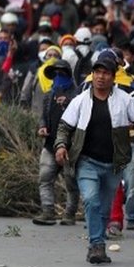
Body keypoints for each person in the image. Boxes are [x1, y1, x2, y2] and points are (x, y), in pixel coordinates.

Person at [55, 54, 134, 265]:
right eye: (97, 72)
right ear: (92, 74)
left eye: (106, 73)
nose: (101, 77)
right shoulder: (80, 101)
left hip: (114, 164)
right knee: (91, 200)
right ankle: (97, 245)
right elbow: (64, 127)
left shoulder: (124, 99)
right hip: (87, 161)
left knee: (105, 208)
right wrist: (61, 145)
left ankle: (95, 245)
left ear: (113, 76)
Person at [32, 59, 80, 226]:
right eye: (56, 74)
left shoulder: (78, 96)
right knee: (45, 178)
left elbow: (82, 118)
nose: (59, 77)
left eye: (62, 74)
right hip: (50, 144)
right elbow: (43, 116)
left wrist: (68, 103)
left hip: (71, 146)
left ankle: (70, 214)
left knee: (71, 182)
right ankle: (48, 211)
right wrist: (43, 127)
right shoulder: (50, 95)